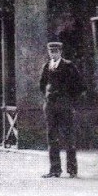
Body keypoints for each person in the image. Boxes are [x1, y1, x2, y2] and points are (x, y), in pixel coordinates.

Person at [39, 41, 83, 178]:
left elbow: (80, 85)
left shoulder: (68, 66)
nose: (53, 54)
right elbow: (42, 84)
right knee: (52, 137)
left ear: (60, 52)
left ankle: (72, 170)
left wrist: (69, 100)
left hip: (65, 106)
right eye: (51, 52)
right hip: (50, 107)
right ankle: (55, 170)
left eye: (55, 51)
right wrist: (48, 98)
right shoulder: (47, 66)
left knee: (68, 137)